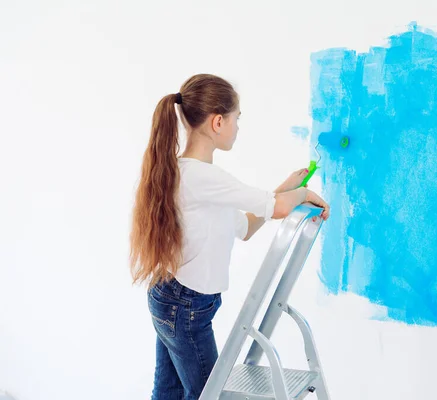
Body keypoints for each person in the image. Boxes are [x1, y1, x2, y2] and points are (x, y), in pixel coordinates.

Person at [128, 73, 330, 400]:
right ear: (218, 122)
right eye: (237, 119)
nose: (238, 127)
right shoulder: (204, 177)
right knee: (208, 394)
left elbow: (247, 227)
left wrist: (285, 190)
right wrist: (303, 193)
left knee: (168, 393)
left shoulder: (190, 175)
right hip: (186, 307)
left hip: (171, 298)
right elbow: (276, 209)